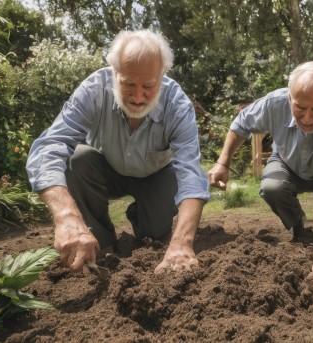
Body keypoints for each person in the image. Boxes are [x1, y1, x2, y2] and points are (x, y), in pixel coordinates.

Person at [26, 29, 210, 274]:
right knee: (76, 158)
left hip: (156, 176)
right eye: (128, 83)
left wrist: (182, 243)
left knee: (155, 237)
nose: (137, 96)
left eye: (148, 85)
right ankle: (98, 239)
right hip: (106, 169)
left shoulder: (178, 105)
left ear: (162, 75)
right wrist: (67, 217)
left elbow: (190, 175)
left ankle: (144, 216)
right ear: (114, 73)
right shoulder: (93, 90)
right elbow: (49, 146)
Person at [207, 61, 313, 315]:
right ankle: (299, 229)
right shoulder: (274, 104)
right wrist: (223, 162)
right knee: (272, 186)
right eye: (300, 107)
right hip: (286, 163)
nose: (307, 118)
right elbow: (241, 123)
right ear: (289, 98)